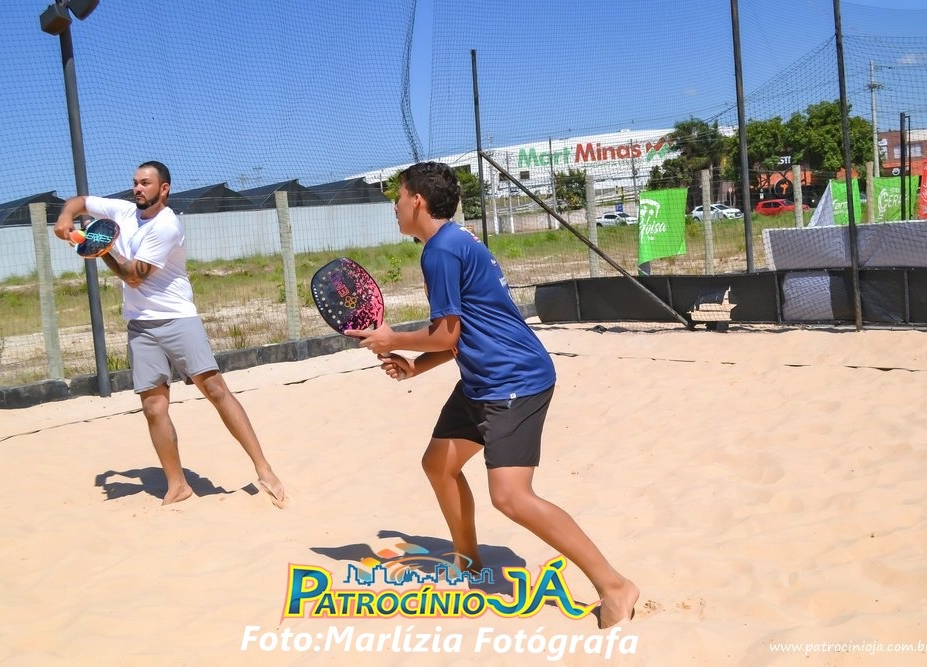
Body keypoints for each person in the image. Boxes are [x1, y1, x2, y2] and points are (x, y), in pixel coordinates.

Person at [345, 161, 638, 629]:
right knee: (438, 464)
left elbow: (446, 334)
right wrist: (416, 366)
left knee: (511, 497)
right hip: (483, 379)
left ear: (417, 200)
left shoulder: (441, 251)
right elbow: (462, 334)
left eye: (398, 197)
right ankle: (468, 562)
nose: (395, 207)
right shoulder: (454, 241)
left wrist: (391, 338)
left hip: (513, 380)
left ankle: (614, 585)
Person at [54, 161, 287, 508]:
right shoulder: (123, 211)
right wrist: (64, 218)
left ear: (164, 188)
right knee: (153, 407)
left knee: (215, 391)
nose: (137, 188)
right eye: (135, 182)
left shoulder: (166, 225)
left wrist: (100, 249)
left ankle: (264, 468)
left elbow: (133, 276)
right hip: (140, 324)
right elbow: (80, 202)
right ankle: (177, 486)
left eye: (145, 183)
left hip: (178, 319)